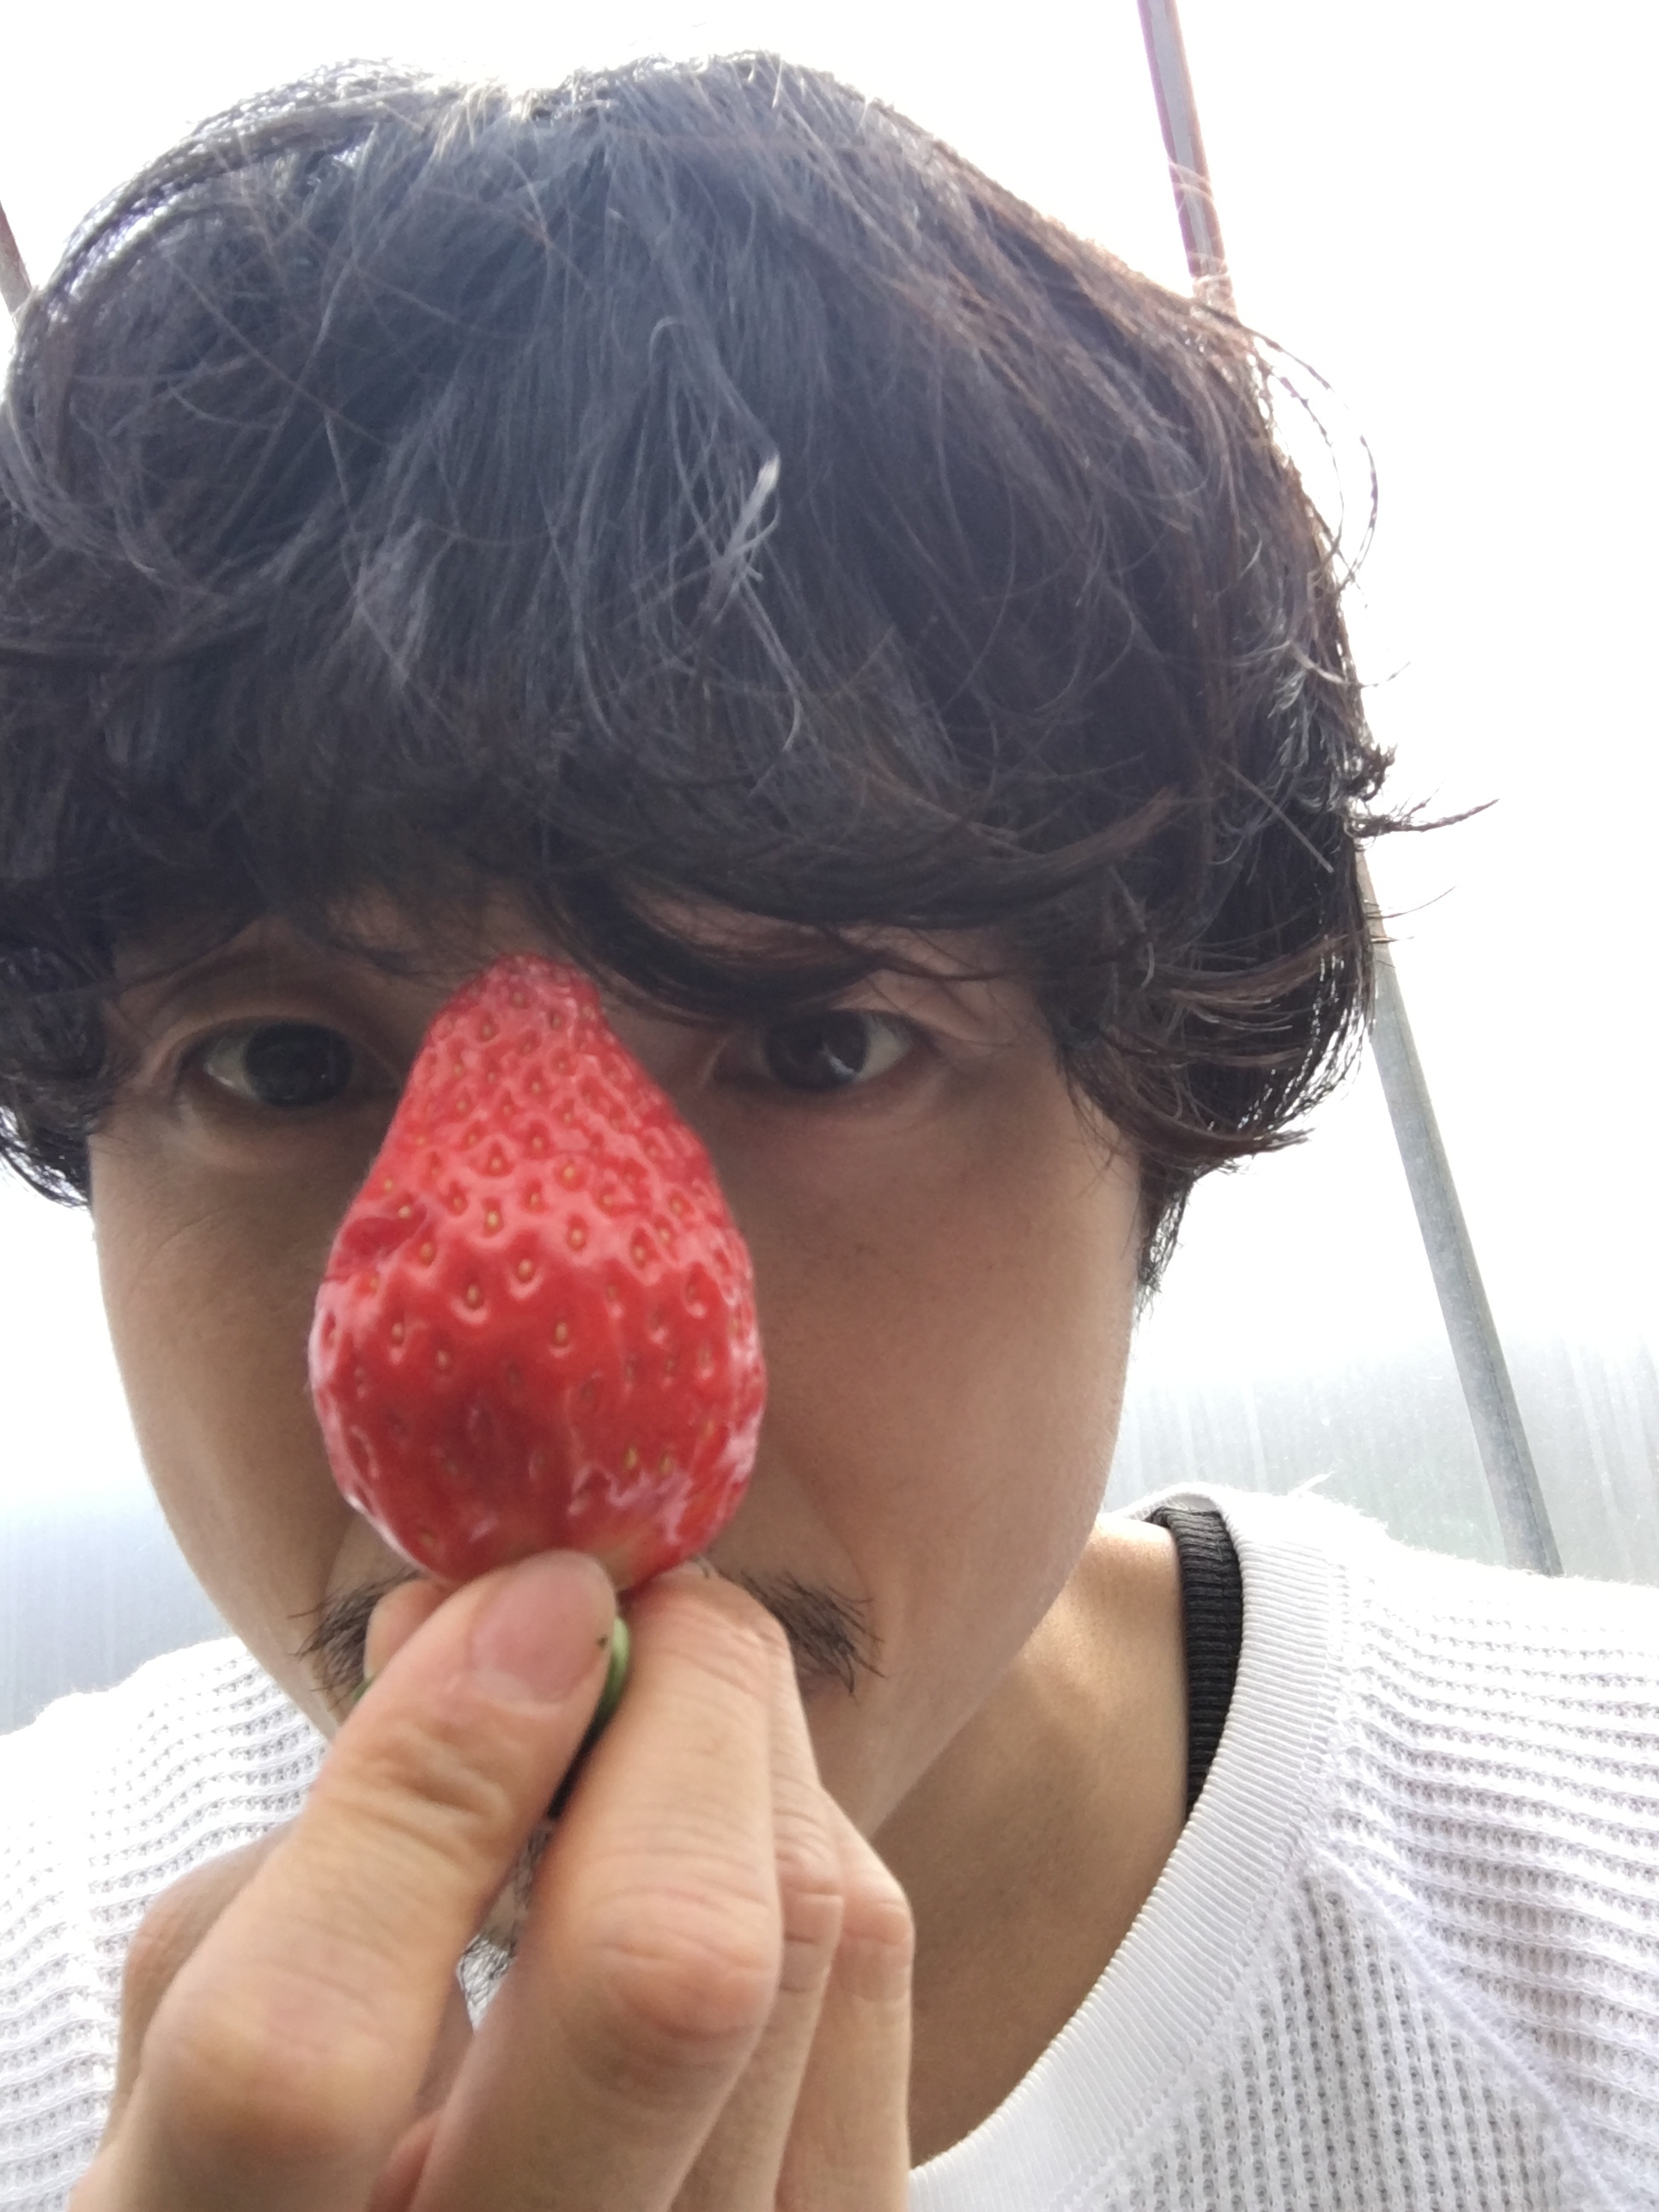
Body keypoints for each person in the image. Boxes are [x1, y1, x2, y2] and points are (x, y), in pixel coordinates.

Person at [0, 52, 1655, 2212]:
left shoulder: (1607, 1908)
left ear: (1160, 1093)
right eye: (283, 1067)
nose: (540, 1408)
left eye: (827, 1041)